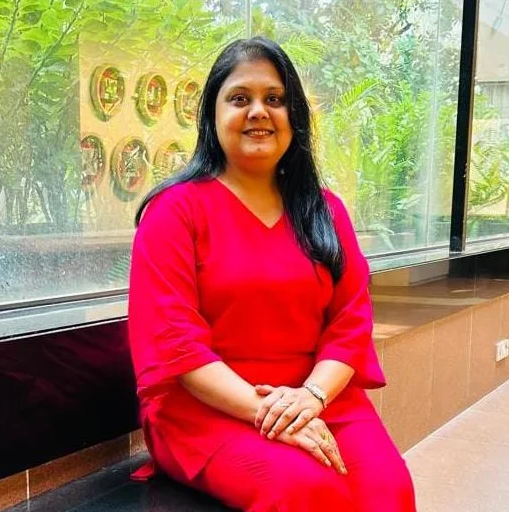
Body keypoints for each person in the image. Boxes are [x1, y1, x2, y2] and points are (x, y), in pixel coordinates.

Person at [128, 36, 416, 512]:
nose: (259, 111)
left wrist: (311, 398)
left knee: (388, 491)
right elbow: (175, 342)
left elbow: (350, 322)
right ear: (212, 115)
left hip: (315, 396)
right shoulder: (174, 212)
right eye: (240, 98)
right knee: (305, 491)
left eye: (275, 99)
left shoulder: (325, 210)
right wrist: (267, 410)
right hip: (204, 408)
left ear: (293, 116)